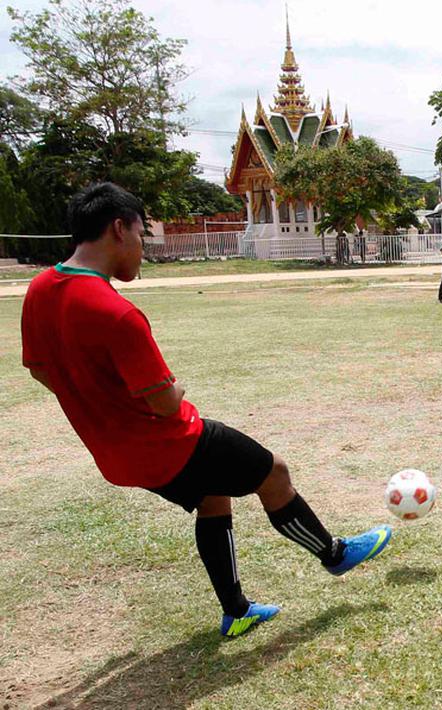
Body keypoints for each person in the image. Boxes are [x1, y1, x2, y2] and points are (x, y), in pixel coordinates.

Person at [19, 183, 392, 638]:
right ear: (119, 229)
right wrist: (174, 389)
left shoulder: (39, 289)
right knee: (273, 472)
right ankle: (334, 553)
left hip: (116, 458)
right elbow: (162, 400)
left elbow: (40, 370)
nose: (143, 249)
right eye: (142, 236)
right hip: (170, 443)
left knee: (213, 496)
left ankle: (236, 610)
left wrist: (99, 401)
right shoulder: (115, 313)